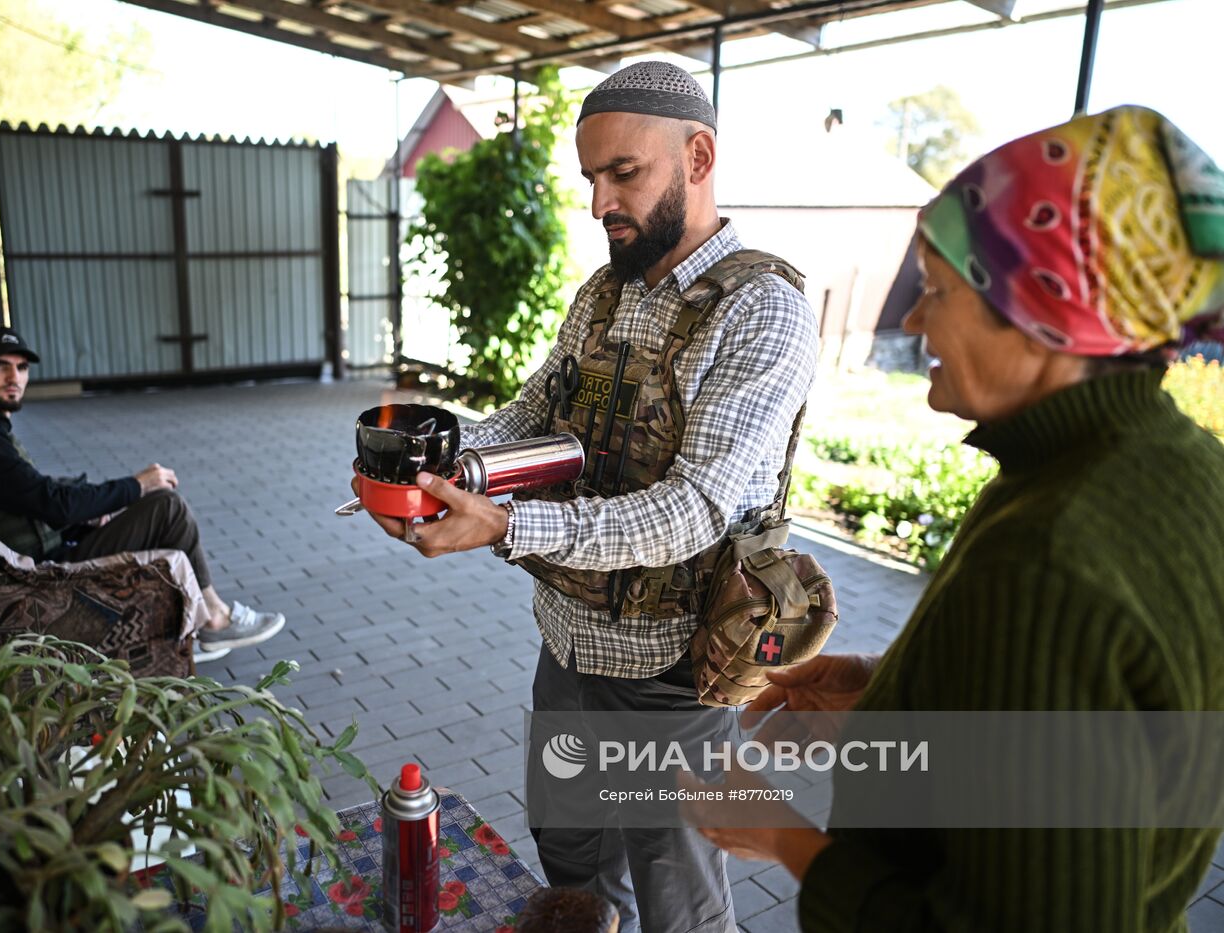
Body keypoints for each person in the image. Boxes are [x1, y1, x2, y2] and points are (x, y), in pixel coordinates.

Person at [688, 106, 1224, 931]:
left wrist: (785, 836)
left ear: (1046, 313)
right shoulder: (1179, 464)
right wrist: (896, 694)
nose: (912, 320)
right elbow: (1093, 740)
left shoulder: (1049, 555)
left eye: (938, 289)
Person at [356, 61, 819, 932]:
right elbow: (528, 412)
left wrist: (504, 524)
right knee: (568, 860)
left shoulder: (762, 310)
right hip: (566, 645)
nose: (600, 200)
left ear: (699, 155)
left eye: (624, 173)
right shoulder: (602, 293)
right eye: (591, 178)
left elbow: (694, 509)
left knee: (677, 897)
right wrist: (431, 463)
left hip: (672, 677)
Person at [0, 326, 287, 660]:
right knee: (166, 507)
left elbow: (25, 497)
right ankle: (215, 621)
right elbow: (53, 504)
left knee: (155, 504)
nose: (14, 377)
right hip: (34, 574)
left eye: (21, 368)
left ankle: (204, 618)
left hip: (32, 552)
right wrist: (135, 485)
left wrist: (91, 513)